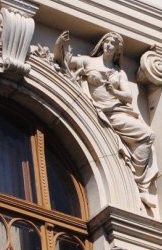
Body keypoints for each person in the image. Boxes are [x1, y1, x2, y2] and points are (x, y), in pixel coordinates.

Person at [55, 30, 155, 208]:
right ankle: (140, 188)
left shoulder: (118, 73)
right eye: (107, 42)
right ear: (102, 44)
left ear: (117, 51)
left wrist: (113, 90)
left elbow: (128, 96)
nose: (109, 45)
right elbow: (64, 61)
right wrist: (58, 46)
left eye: (113, 44)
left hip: (115, 112)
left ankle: (140, 186)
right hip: (97, 109)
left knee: (147, 135)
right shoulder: (88, 61)